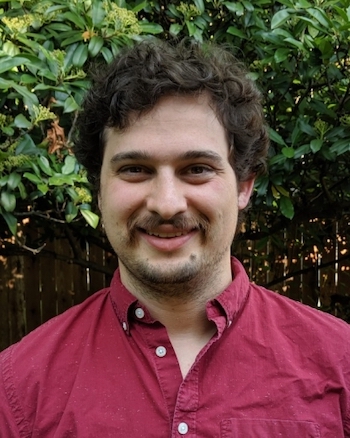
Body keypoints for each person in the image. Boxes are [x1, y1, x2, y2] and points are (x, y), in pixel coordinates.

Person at [0, 38, 349, 437]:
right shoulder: (19, 389)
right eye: (135, 169)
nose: (167, 205)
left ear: (244, 186)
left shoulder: (341, 366)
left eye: (197, 168)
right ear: (98, 190)